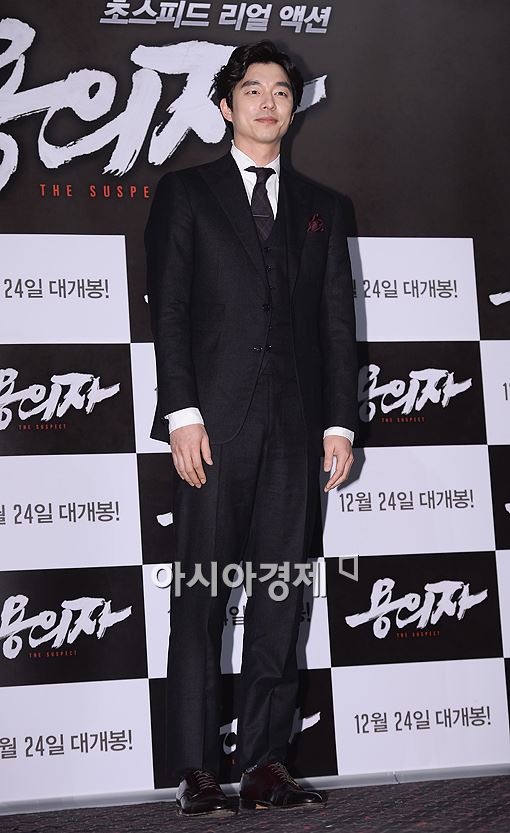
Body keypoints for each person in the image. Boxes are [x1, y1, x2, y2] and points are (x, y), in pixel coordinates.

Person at [145, 39, 357, 817]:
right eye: (253, 90)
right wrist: (182, 412)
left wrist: (339, 423)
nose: (269, 103)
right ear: (226, 105)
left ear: (294, 108)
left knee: (279, 594)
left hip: (297, 434)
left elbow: (336, 325)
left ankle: (266, 763)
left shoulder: (323, 207)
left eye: (281, 92)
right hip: (214, 429)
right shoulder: (186, 193)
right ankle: (198, 768)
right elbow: (169, 310)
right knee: (201, 596)